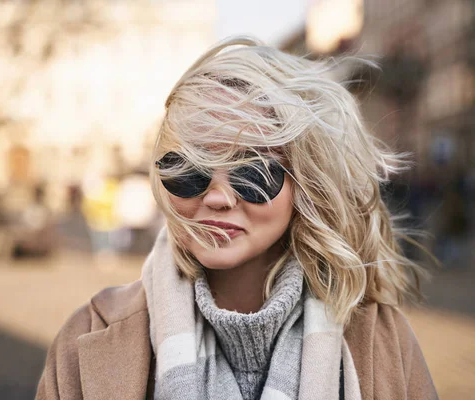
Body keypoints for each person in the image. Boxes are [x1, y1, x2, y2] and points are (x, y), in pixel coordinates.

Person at [35, 37, 438, 400]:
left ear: (307, 185)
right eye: (189, 170)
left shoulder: (384, 342)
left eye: (253, 172)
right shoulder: (87, 335)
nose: (217, 197)